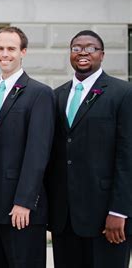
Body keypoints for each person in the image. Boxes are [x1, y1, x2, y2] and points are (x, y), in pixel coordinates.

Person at [45, 30, 132, 268]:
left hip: (106, 218)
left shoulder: (122, 93)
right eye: (76, 48)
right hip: (65, 218)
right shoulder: (55, 96)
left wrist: (120, 211)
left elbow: (128, 156)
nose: (83, 52)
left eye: (90, 48)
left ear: (102, 55)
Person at [0, 26, 55, 268]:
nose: (5, 54)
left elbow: (38, 152)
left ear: (23, 52)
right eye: (0, 48)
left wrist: (24, 201)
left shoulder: (39, 94)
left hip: (21, 210)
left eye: (11, 48)